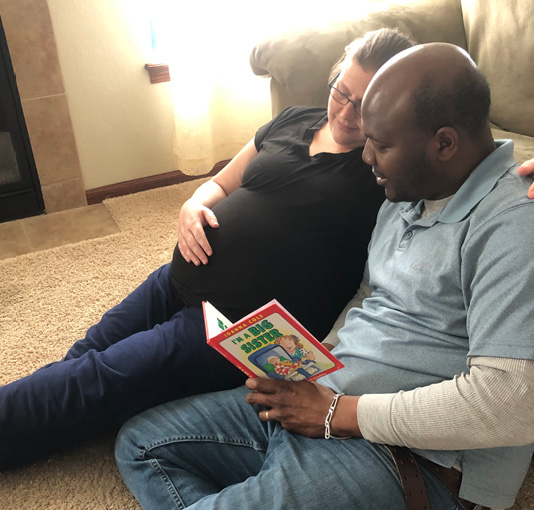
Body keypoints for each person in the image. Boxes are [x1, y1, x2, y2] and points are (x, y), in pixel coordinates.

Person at [115, 43, 534, 510]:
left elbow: (512, 403)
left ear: (444, 143)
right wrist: (317, 364)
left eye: (382, 145)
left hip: (409, 457)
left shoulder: (516, 224)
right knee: (141, 443)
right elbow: (369, 293)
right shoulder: (405, 194)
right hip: (323, 399)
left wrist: (340, 413)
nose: (366, 157)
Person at [0, 29, 414, 471]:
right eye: (341, 93)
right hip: (179, 277)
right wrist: (192, 206)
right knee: (85, 354)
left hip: (235, 328)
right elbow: (220, 183)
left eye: (364, 104)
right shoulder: (293, 119)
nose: (347, 113)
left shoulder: (386, 172)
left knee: (99, 379)